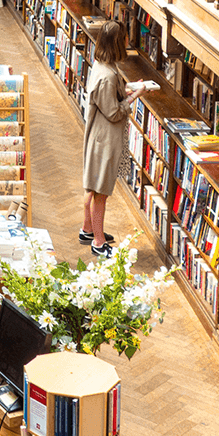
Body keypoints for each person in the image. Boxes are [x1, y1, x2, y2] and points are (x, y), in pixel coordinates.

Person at [81, 20, 151, 259]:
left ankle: (88, 229)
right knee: (100, 192)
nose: (128, 42)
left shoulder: (102, 65)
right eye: (125, 39)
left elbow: (108, 96)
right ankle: (98, 242)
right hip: (104, 140)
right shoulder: (108, 76)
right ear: (117, 43)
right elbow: (113, 112)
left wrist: (128, 89)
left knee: (94, 186)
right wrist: (134, 97)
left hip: (99, 137)